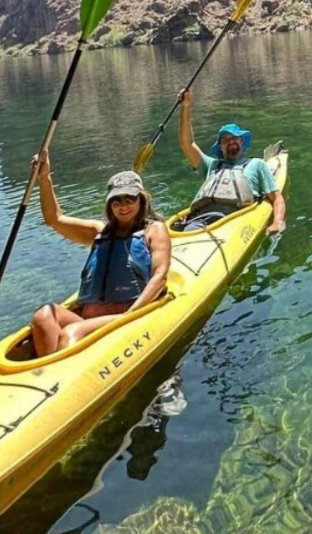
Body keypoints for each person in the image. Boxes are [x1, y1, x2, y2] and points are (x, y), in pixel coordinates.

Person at [29, 153, 172, 357]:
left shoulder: (154, 230)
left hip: (125, 315)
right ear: (109, 204)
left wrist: (129, 317)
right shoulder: (99, 231)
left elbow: (160, 276)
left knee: (72, 332)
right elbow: (54, 219)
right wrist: (44, 178)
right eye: (116, 201)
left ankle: (63, 374)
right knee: (44, 315)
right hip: (90, 319)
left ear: (141, 200)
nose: (123, 206)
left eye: (129, 199)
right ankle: (48, 373)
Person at [177, 89, 286, 233]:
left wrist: (277, 222)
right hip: (201, 219)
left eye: (235, 138)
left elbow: (277, 198)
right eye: (225, 139)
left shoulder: (256, 164)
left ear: (241, 142)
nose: (231, 141)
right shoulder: (211, 165)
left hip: (236, 220)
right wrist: (185, 106)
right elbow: (187, 143)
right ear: (220, 147)